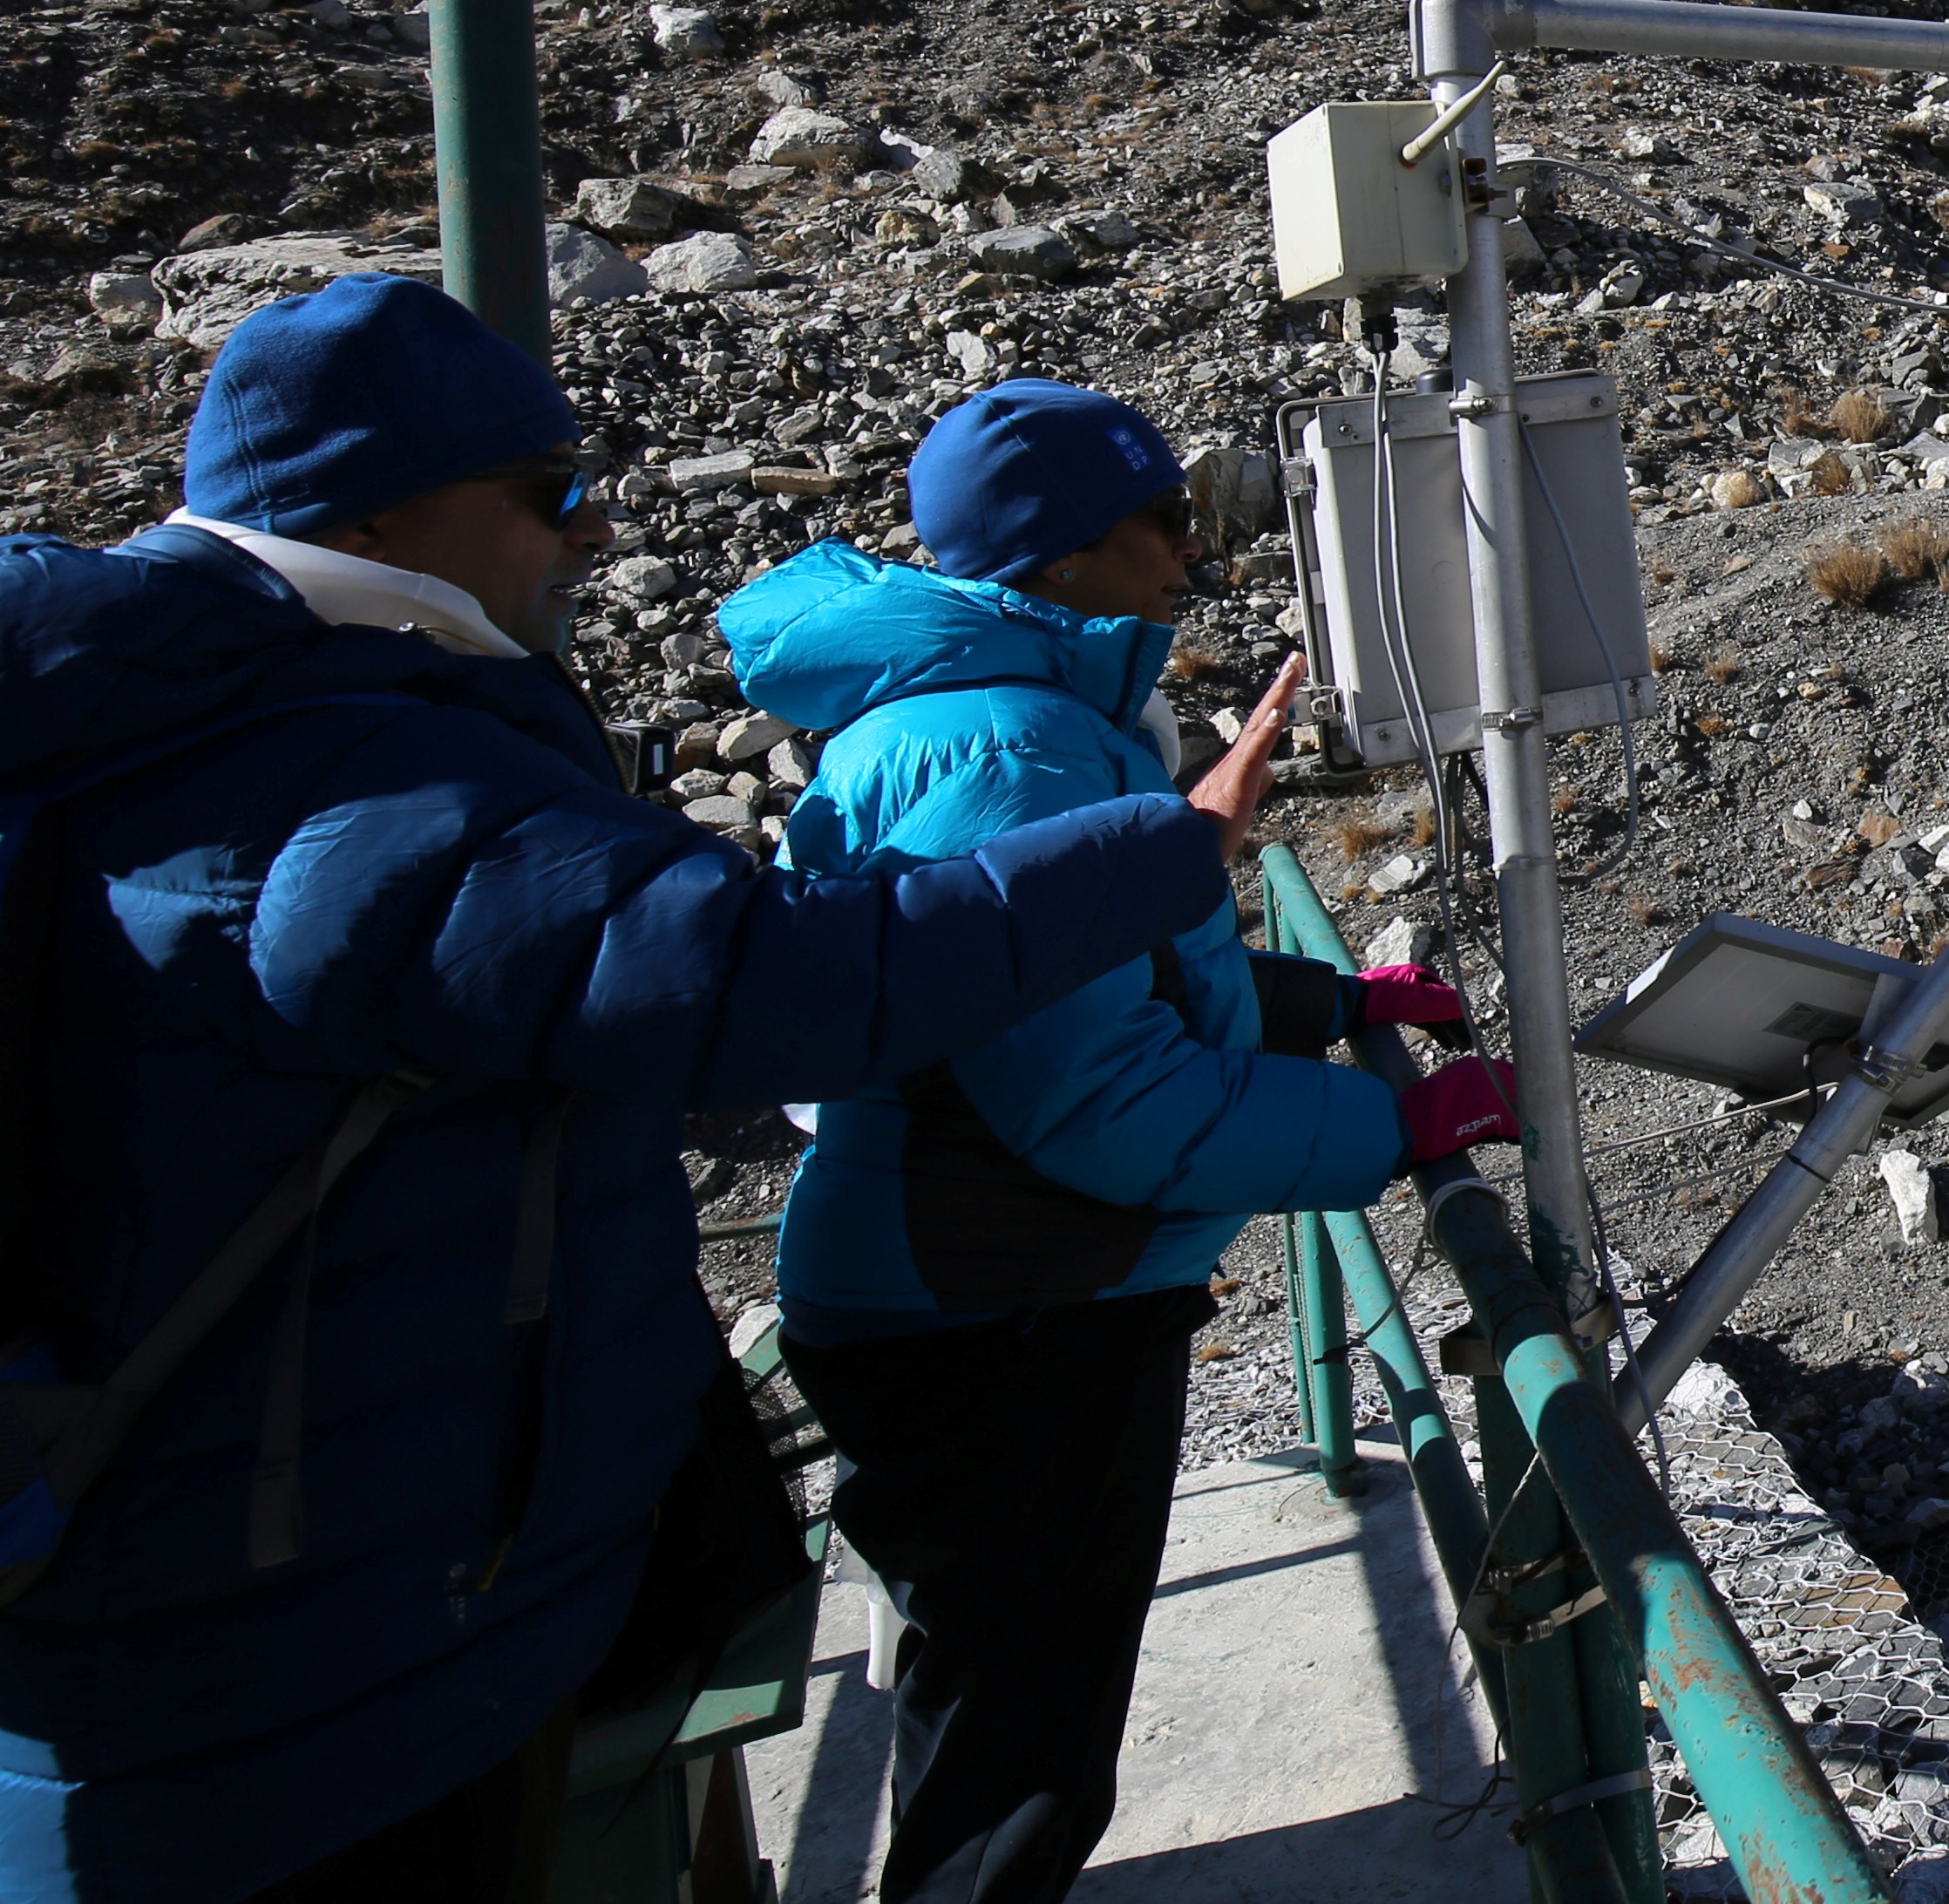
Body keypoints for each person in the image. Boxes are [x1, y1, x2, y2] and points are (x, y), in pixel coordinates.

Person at [0, 277, 1251, 1904]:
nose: (589, 535)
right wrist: (1173, 843)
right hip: (312, 1645)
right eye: (551, 492)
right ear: (374, 501)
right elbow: (751, 987)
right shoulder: (342, 773)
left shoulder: (175, 708)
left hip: (223, 1574)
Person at [722, 379, 1511, 1904]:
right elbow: (1095, 1100)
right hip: (997, 1308)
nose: (1189, 552)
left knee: (990, 1704)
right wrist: (1393, 1126)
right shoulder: (1008, 751)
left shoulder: (997, 722)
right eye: (1163, 518)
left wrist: (1328, 996)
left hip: (963, 1283)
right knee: (1017, 1760)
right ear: (1061, 549)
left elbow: (1118, 974)